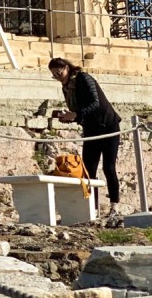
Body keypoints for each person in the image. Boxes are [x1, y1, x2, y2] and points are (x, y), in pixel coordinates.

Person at [49, 56, 122, 210]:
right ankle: (92, 208)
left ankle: (114, 206)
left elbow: (96, 103)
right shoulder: (66, 87)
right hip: (91, 129)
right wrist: (69, 117)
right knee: (89, 169)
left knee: (109, 167)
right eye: (54, 76)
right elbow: (80, 111)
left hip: (108, 126)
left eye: (59, 73)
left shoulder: (83, 78)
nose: (58, 77)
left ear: (67, 68)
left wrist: (76, 114)